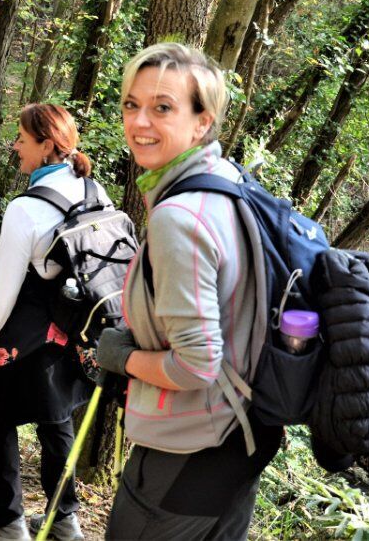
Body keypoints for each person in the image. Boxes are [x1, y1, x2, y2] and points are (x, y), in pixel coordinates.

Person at [94, 42, 283, 540]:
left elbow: (196, 365)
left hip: (191, 445)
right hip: (241, 436)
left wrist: (122, 358)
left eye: (162, 108)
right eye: (131, 105)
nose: (139, 122)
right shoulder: (228, 183)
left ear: (203, 122)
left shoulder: (180, 217)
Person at [0, 104, 103, 541]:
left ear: (46, 146)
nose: (15, 146)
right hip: (75, 330)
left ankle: (8, 523)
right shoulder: (92, 189)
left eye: (21, 139)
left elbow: (3, 290)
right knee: (56, 419)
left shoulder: (26, 208)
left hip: (23, 334)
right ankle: (65, 519)